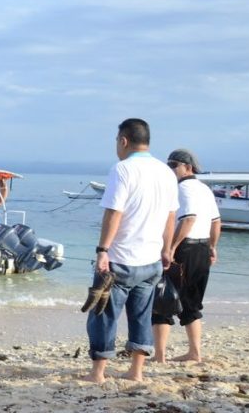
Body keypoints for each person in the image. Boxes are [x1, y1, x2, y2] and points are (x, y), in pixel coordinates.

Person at [83, 118, 177, 384]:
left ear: (123, 140)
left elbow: (114, 211)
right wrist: (167, 248)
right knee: (142, 315)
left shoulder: (122, 169)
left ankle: (98, 372)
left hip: (122, 258)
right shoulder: (166, 172)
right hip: (151, 259)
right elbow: (171, 216)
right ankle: (136, 372)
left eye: (117, 141)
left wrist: (103, 249)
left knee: (102, 313)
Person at [152, 149, 222, 363]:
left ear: (188, 167)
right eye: (168, 166)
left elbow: (188, 219)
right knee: (192, 302)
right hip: (201, 248)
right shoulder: (204, 189)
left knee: (163, 299)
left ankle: (160, 355)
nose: (170, 170)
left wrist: (171, 248)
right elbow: (216, 222)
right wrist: (212, 246)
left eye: (174, 165)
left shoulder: (183, 189)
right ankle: (194, 352)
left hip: (184, 250)